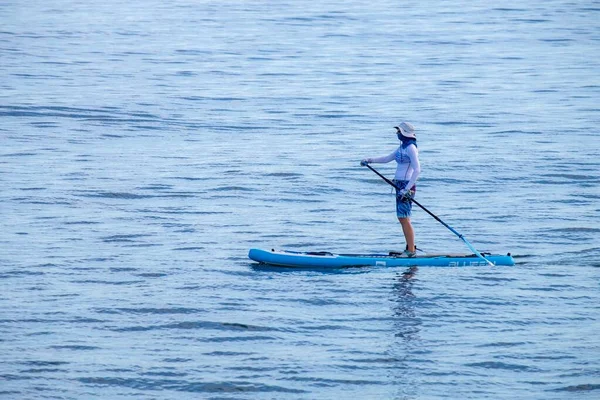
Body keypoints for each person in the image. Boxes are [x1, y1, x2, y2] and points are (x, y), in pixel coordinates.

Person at [361, 122, 421, 257]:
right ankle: (410, 247)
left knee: (404, 218)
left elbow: (417, 170)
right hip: (399, 185)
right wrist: (369, 160)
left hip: (406, 186)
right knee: (402, 218)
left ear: (404, 132)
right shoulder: (402, 147)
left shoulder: (411, 147)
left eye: (399, 131)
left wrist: (406, 189)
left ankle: (411, 251)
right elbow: (387, 159)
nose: (397, 134)